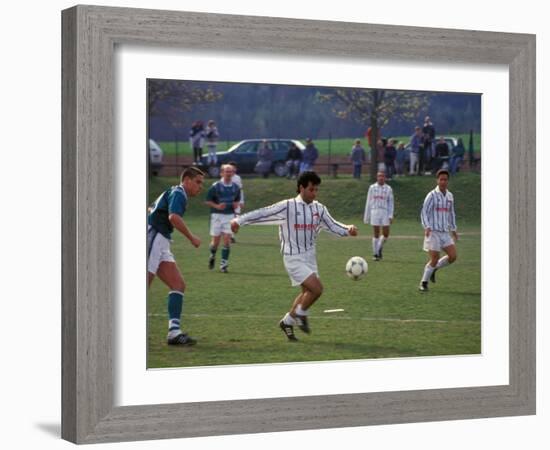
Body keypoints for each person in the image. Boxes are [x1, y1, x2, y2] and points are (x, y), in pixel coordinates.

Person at [230, 171, 358, 341]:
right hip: (293, 257)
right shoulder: (288, 206)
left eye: (316, 190)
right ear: (301, 188)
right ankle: (300, 314)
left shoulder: (319, 209)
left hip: (310, 257)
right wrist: (239, 221)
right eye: (311, 189)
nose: (314, 193)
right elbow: (264, 213)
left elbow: (332, 225)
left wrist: (348, 229)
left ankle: (287, 321)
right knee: (317, 289)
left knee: (307, 293)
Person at [147, 166, 205, 345]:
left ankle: (174, 332)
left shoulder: (176, 192)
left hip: (161, 239)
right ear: (186, 180)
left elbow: (154, 210)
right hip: (154, 237)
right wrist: (191, 237)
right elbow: (173, 217)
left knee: (178, 284)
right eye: (197, 182)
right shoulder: (179, 193)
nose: (200, 187)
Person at [418, 169, 458, 292]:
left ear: (448, 181)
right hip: (433, 232)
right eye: (441, 179)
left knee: (453, 256)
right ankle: (423, 283)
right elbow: (424, 212)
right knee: (434, 258)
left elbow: (451, 213)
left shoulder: (450, 196)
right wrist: (427, 226)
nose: (443, 181)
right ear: (437, 180)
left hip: (445, 232)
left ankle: (434, 268)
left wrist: (454, 229)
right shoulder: (432, 195)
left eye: (445, 179)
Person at [205, 164, 241, 273]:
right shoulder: (215, 186)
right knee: (215, 242)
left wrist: (235, 204)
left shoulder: (236, 187)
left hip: (229, 216)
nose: (229, 173)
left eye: (231, 172)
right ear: (221, 173)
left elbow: (237, 200)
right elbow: (207, 201)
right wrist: (217, 206)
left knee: (227, 240)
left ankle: (223, 265)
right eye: (227, 171)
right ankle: (212, 255)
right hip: (216, 216)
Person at [363, 171, 394, 261]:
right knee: (376, 233)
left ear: (385, 178)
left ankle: (379, 248)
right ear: (377, 177)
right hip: (374, 211)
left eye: (382, 176)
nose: (381, 178)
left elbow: (391, 203)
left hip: (385, 211)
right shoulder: (372, 188)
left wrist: (390, 215)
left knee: (386, 234)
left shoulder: (388, 189)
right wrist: (366, 216)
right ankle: (375, 254)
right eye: (379, 176)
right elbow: (368, 202)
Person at [227, 161, 244, 243]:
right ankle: (230, 237)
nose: (232, 169)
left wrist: (242, 201)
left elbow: (240, 190)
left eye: (233, 168)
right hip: (228, 202)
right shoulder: (225, 178)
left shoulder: (237, 178)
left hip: (237, 201)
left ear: (236, 169)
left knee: (236, 220)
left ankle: (232, 235)